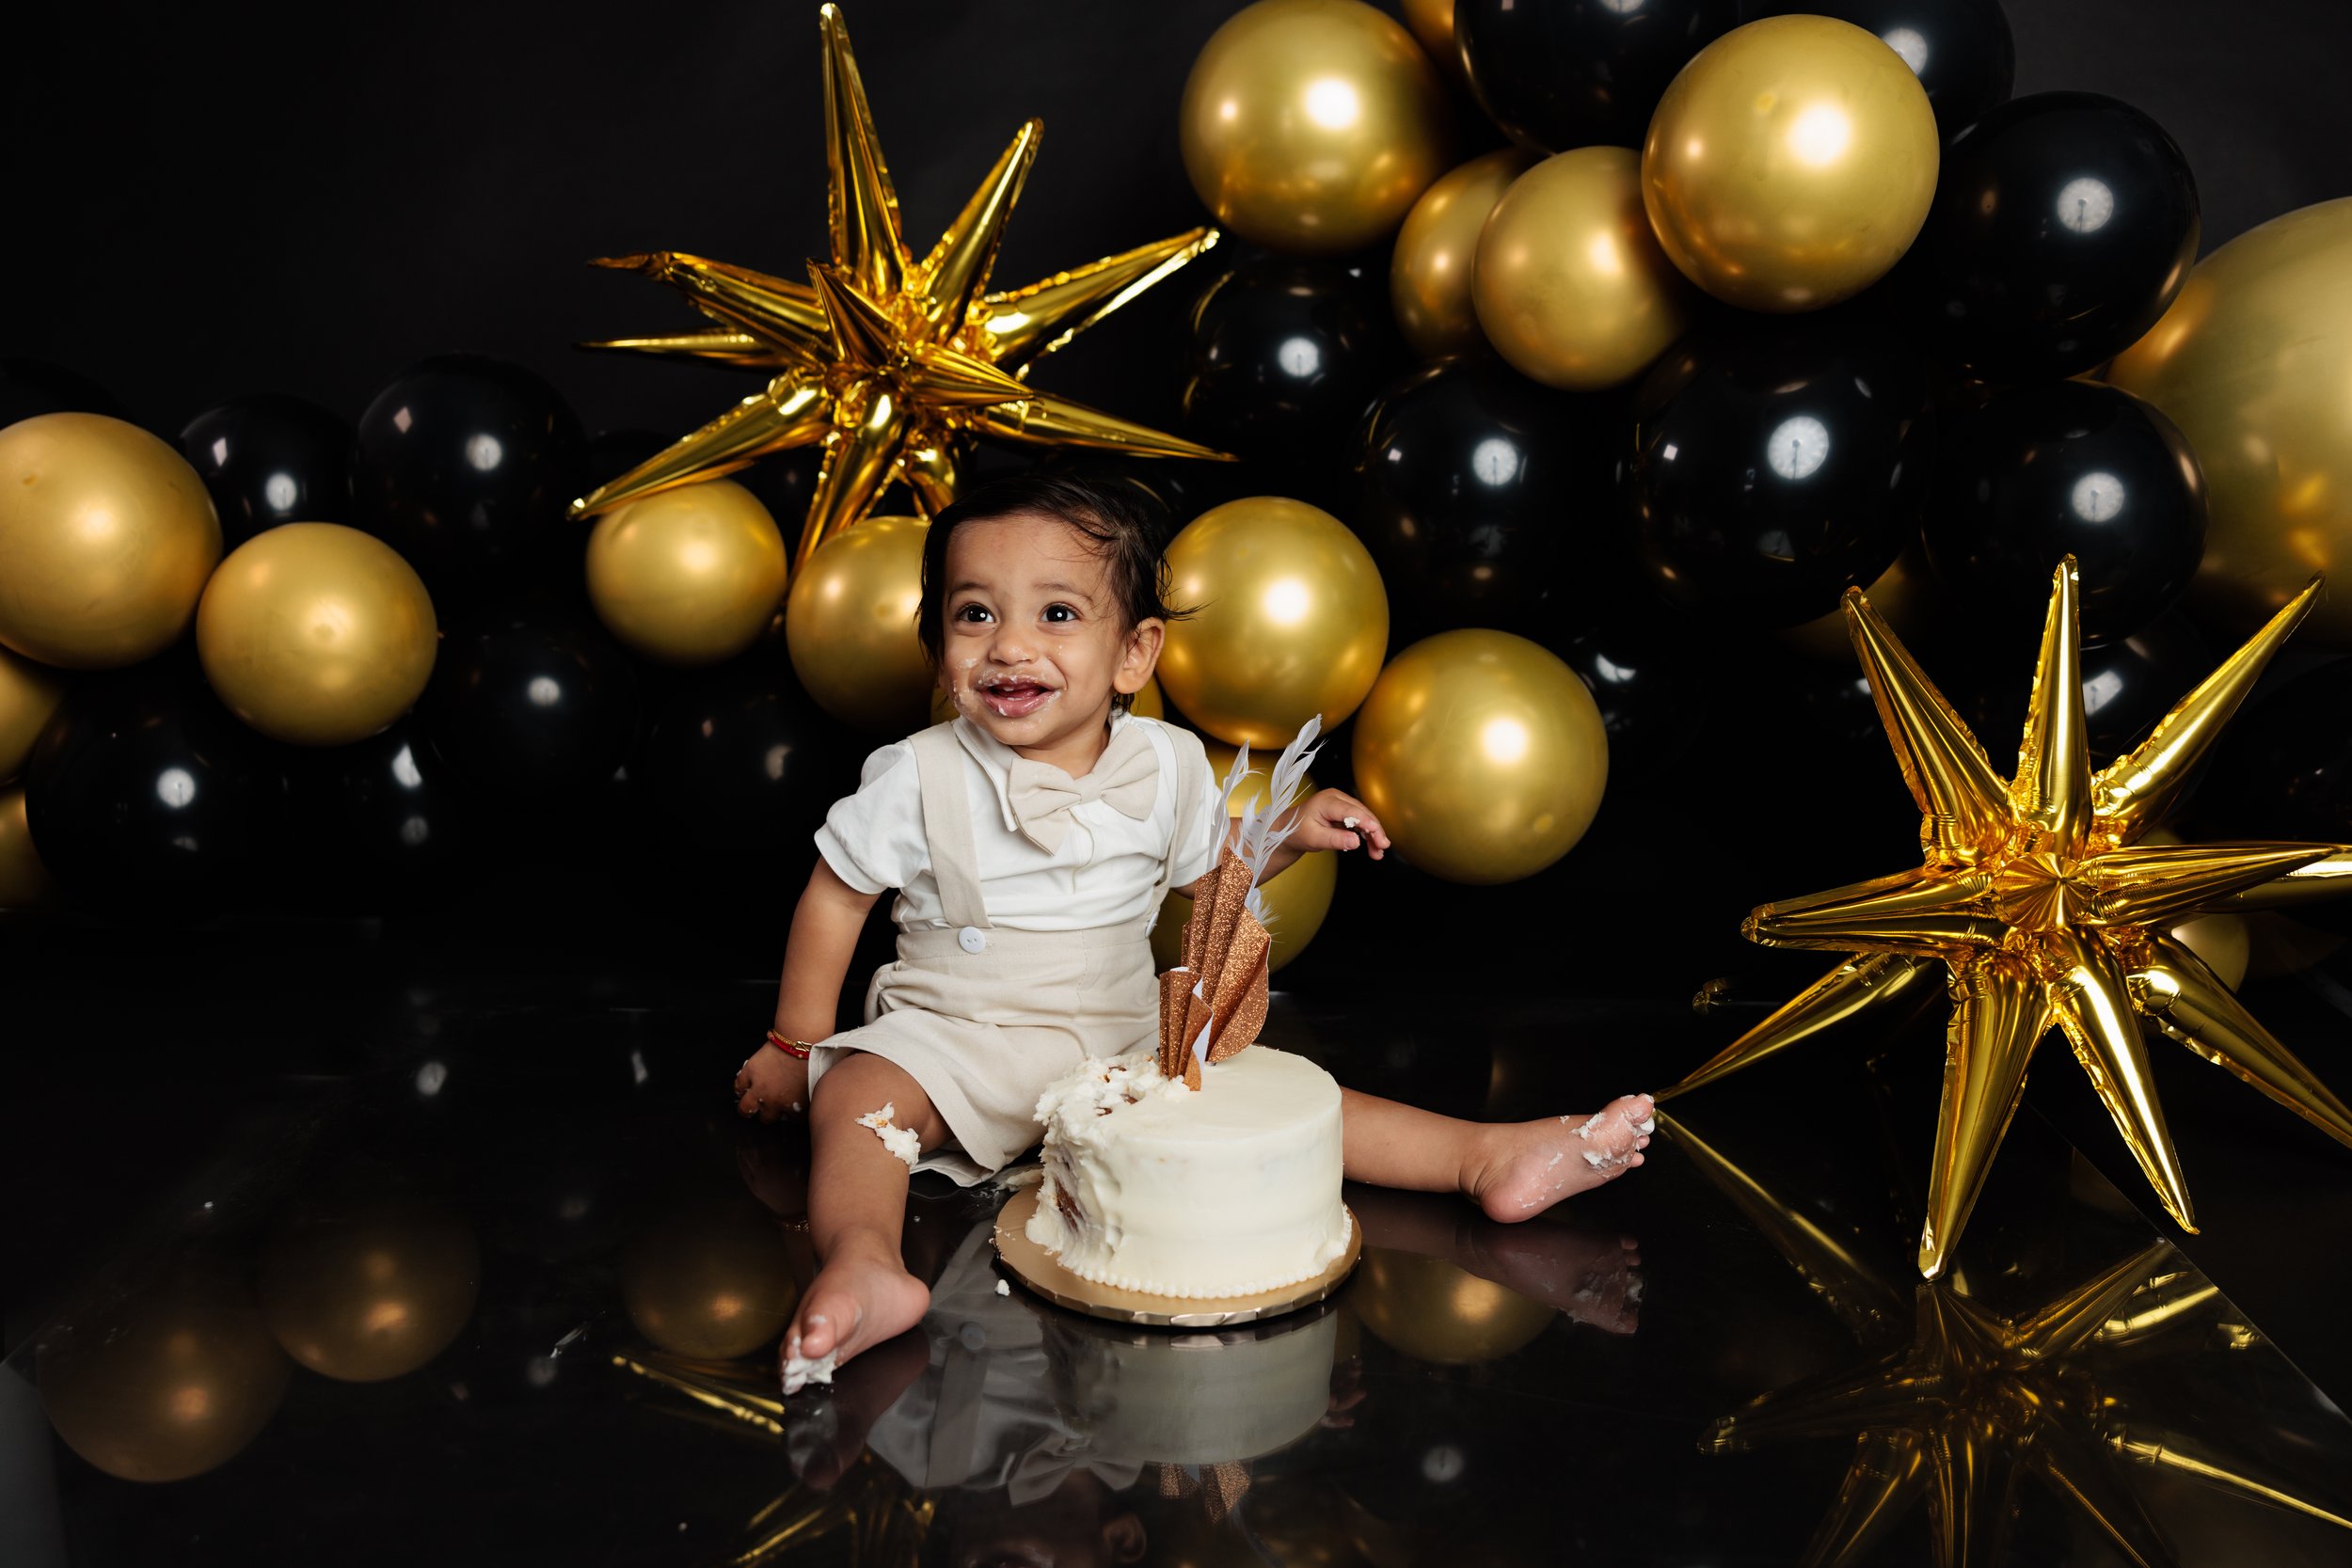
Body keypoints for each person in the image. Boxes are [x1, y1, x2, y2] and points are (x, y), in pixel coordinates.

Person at [733, 474, 1652, 1390]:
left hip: (1122, 1040)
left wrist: (1283, 833)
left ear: (1134, 652)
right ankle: (863, 1261)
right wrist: (792, 1042)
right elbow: (834, 897)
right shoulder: (913, 771)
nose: (1009, 644)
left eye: (1056, 613)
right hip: (948, 1040)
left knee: (1289, 1096)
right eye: (974, 614)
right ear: (936, 646)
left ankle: (1481, 1155)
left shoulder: (1164, 764)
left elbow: (1214, 875)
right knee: (855, 1097)